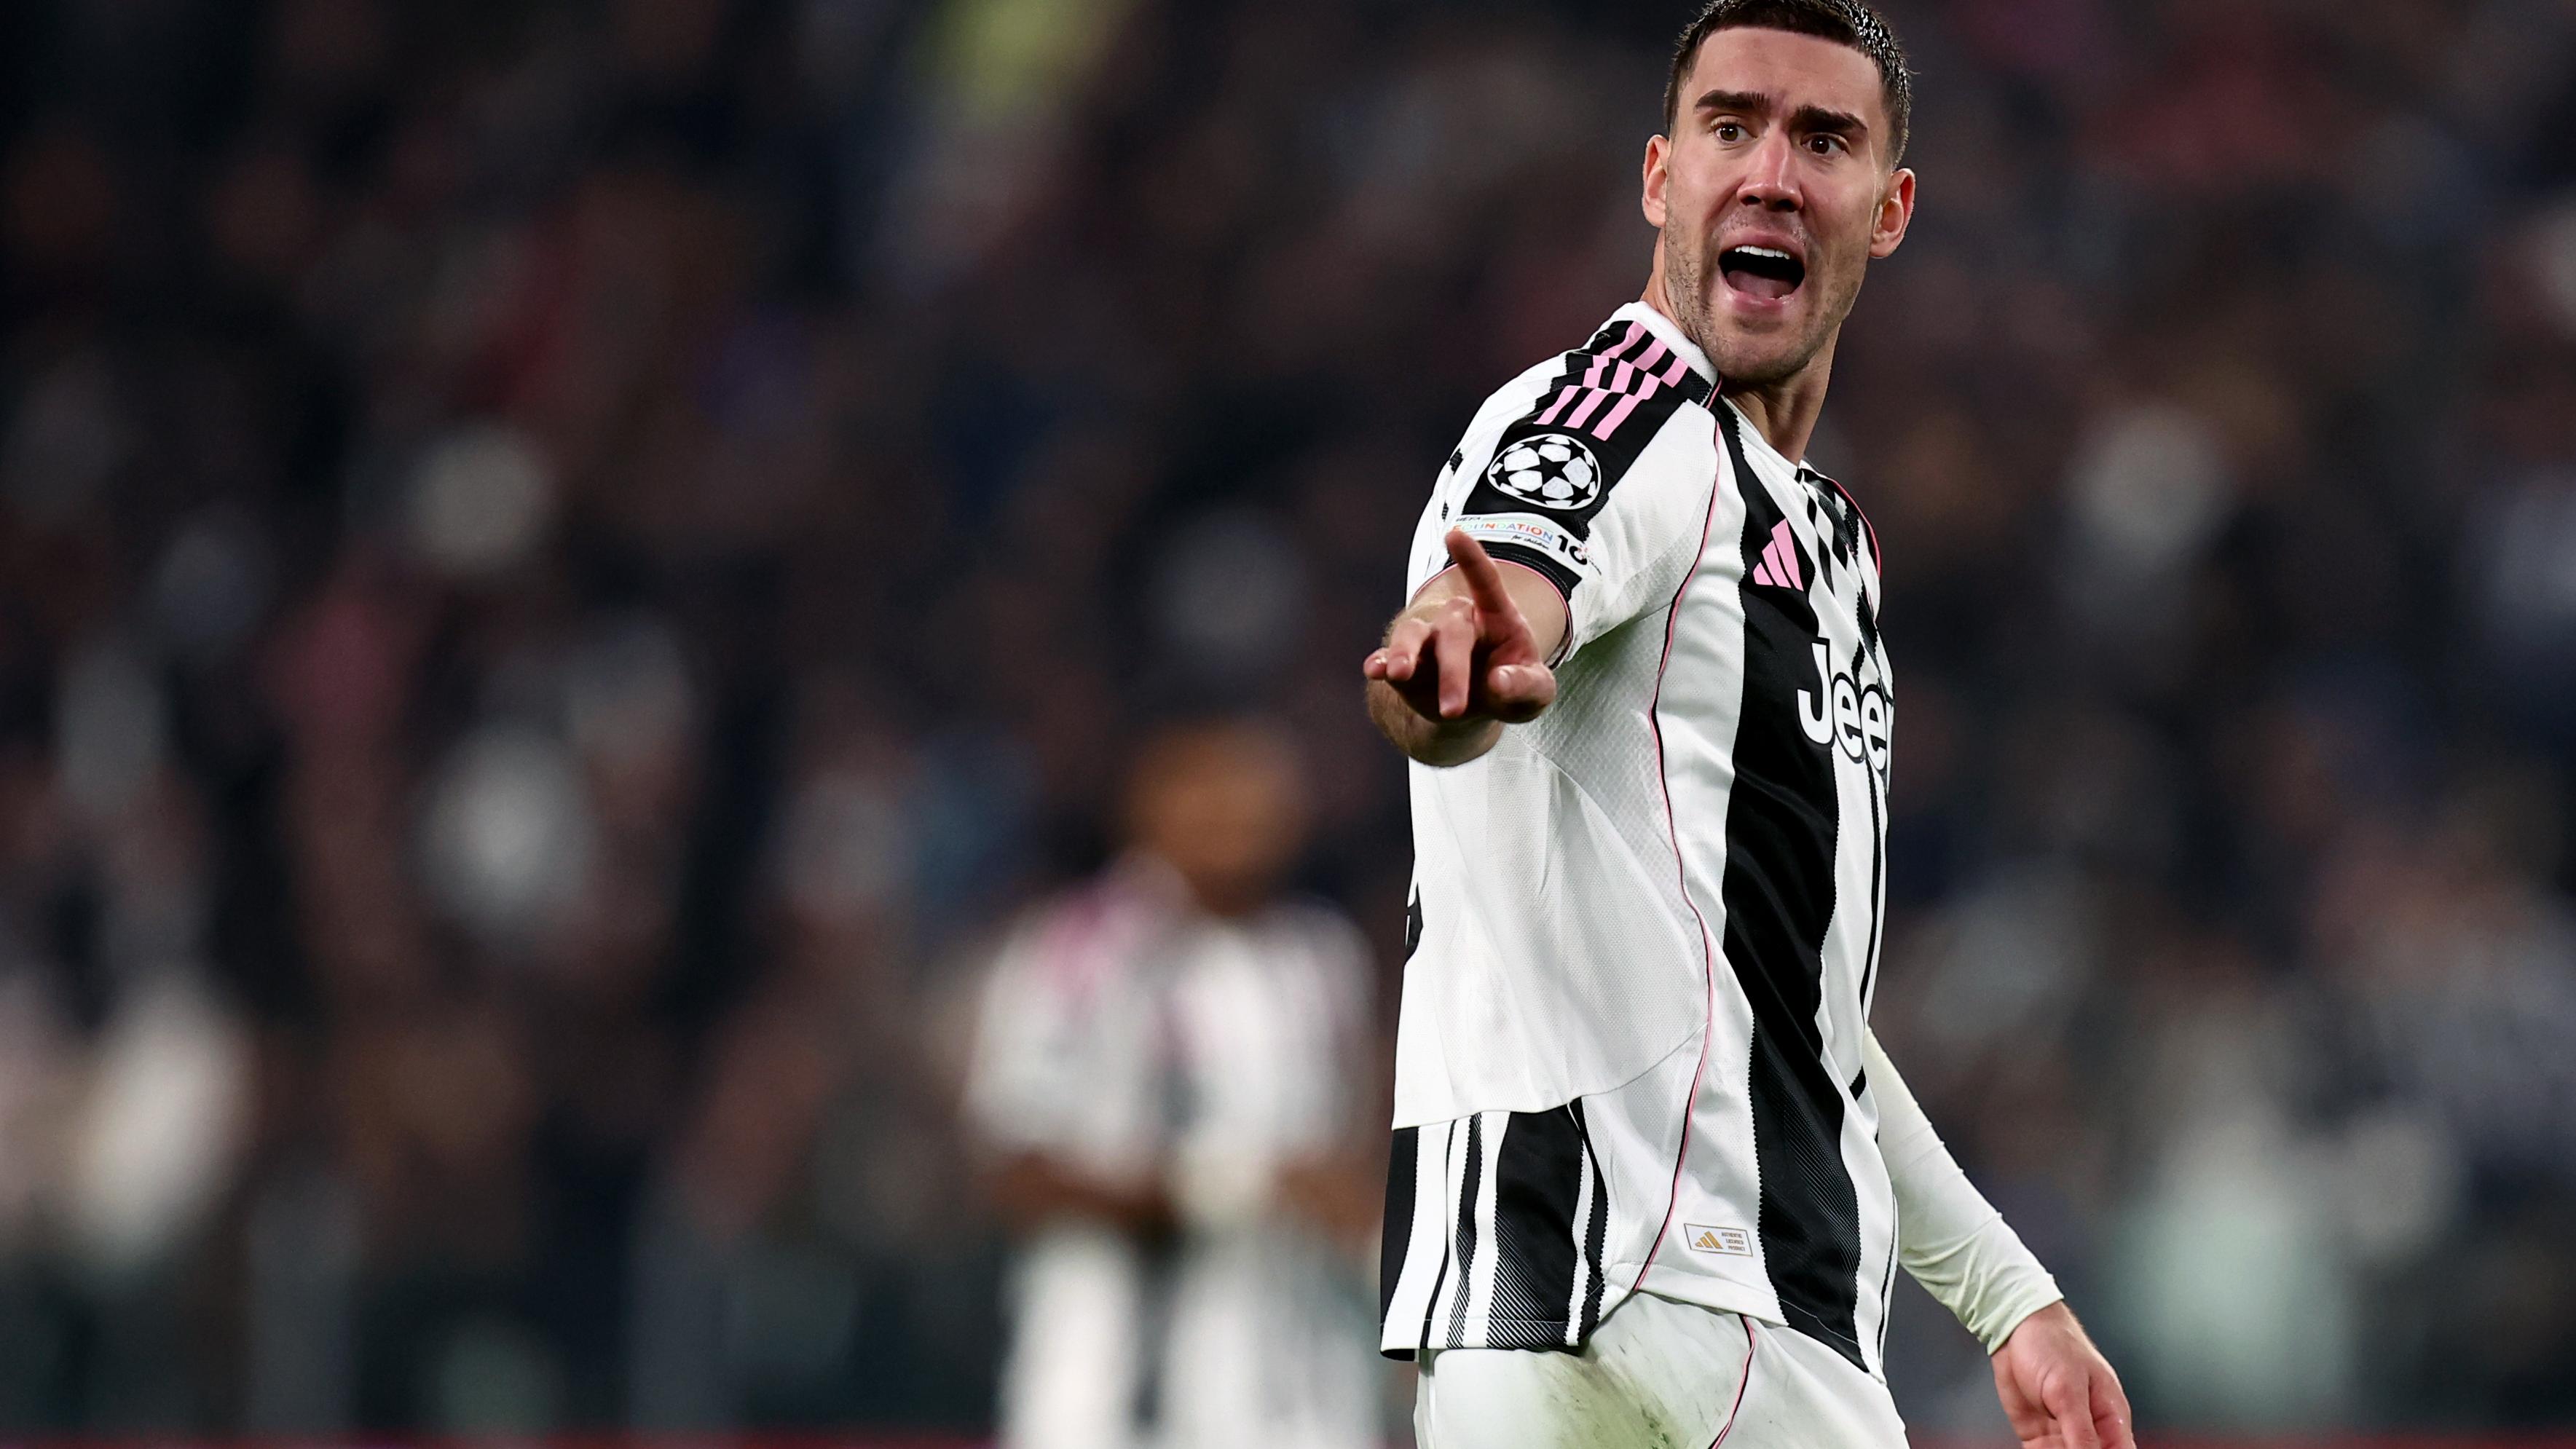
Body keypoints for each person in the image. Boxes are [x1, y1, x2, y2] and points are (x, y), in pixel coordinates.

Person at [1358, 3, 2134, 1446]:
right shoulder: (1627, 410)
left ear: (1888, 210)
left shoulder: (1825, 542)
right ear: (1659, 179)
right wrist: (1457, 664)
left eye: (1821, 138)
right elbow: (1511, 583)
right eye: (1731, 126)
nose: (1770, 172)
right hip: (1685, 1290)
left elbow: (1792, 1014)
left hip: (1544, 1301)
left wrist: (2007, 1295)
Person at [964, 719, 1383, 1449]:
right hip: (1111, 1404)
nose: (1238, 810)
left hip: (1302, 1401)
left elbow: (1352, 1167)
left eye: (1257, 786)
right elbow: (1015, 1166)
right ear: (1147, 801)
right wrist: (1221, 1187)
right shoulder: (1079, 947)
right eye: (1207, 784)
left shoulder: (1322, 960)